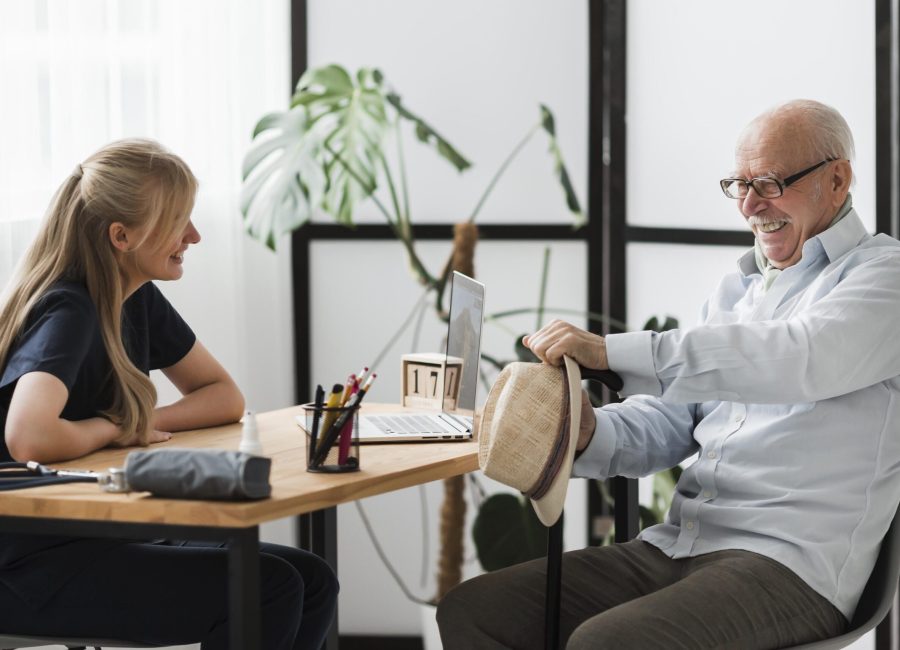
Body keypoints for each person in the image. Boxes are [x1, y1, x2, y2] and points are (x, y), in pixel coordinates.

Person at [437, 99, 900, 649]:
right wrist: (592, 433)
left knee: (607, 643)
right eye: (739, 184)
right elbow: (673, 422)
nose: (751, 206)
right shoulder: (741, 290)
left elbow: (801, 357)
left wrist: (612, 352)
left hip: (789, 567)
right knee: (477, 611)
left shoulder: (883, 277)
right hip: (680, 545)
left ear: (838, 180)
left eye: (771, 183)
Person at [0, 139, 338, 649]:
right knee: (268, 588)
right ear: (122, 236)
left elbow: (223, 395)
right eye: (180, 220)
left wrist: (142, 422)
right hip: (28, 564)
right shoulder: (70, 309)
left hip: (95, 534)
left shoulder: (135, 298)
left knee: (310, 579)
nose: (195, 235)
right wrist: (117, 427)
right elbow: (29, 437)